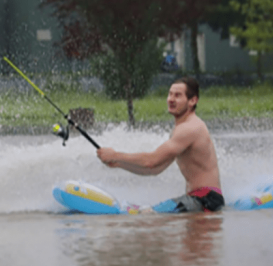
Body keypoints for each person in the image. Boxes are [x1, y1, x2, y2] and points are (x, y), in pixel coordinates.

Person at [96, 77, 224, 212]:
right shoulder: (179, 130)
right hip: (198, 199)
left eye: (178, 95)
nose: (171, 99)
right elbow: (154, 169)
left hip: (205, 199)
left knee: (150, 215)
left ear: (193, 101)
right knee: (148, 215)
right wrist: (118, 164)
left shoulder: (189, 128)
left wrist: (115, 155)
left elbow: (151, 161)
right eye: (170, 94)